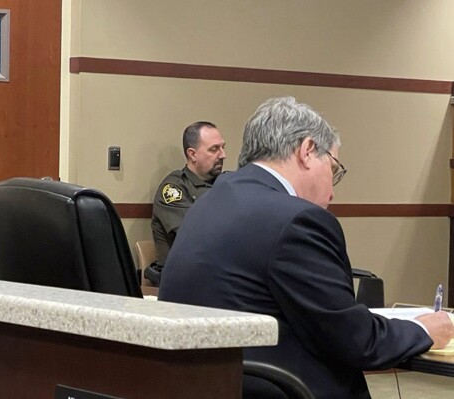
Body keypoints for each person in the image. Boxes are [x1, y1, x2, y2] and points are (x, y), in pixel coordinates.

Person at [158, 97, 454, 399]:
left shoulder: (208, 203)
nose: (333, 192)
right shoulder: (297, 220)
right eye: (334, 168)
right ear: (308, 151)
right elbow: (357, 341)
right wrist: (424, 330)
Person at [145, 121, 226, 286]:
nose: (223, 154)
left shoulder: (226, 183)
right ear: (192, 154)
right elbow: (197, 235)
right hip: (183, 281)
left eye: (223, 147)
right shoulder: (174, 188)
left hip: (218, 275)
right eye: (214, 149)